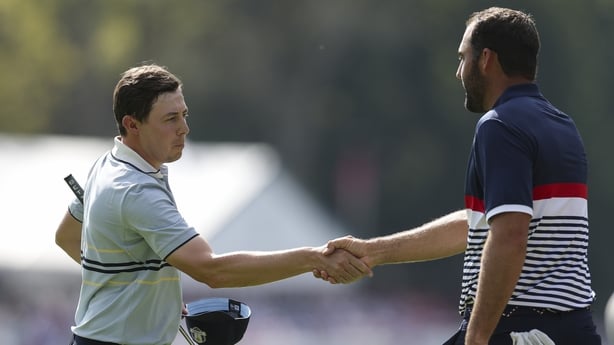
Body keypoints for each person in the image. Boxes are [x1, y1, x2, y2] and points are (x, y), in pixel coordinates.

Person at [316, 7, 601, 345]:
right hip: (572, 330)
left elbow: (510, 236)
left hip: (520, 330)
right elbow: (480, 226)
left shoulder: (500, 125)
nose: (458, 71)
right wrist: (374, 251)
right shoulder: (562, 125)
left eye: (463, 57)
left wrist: (478, 336)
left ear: (486, 60)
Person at [55, 63, 372, 345]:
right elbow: (213, 270)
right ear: (132, 125)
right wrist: (312, 257)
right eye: (170, 119)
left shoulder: (107, 164)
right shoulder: (136, 190)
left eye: (184, 115)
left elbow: (67, 237)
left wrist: (146, 293)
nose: (184, 129)